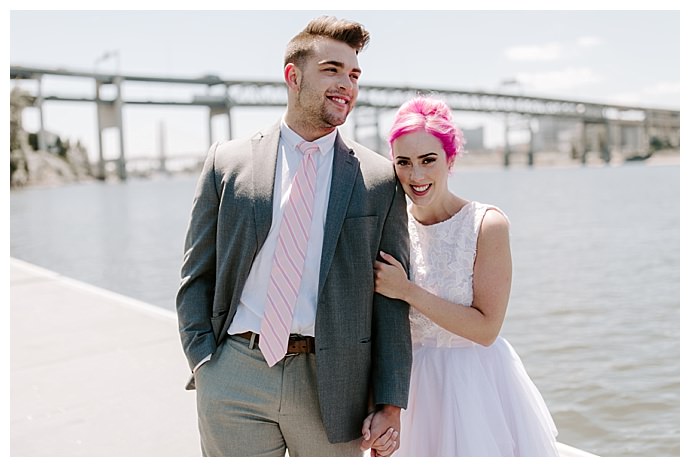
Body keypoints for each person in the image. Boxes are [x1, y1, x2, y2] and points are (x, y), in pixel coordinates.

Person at [175, 16, 412, 457]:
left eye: (354, 74)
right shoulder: (227, 162)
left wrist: (391, 402)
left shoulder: (380, 178)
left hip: (336, 384)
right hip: (236, 375)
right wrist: (205, 362)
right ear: (293, 76)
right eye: (332, 70)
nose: (347, 83)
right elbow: (196, 273)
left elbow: (391, 300)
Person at [362, 96, 559, 456]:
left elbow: (486, 330)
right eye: (403, 162)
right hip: (411, 389)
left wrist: (407, 291)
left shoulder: (486, 225)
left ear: (450, 159)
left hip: (474, 386)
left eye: (428, 160)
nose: (416, 175)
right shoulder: (389, 226)